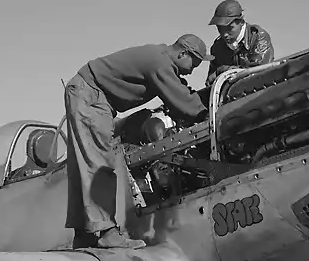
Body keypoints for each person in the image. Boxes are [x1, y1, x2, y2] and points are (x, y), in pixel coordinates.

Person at [65, 34, 213, 249]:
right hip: (91, 96)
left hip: (88, 93)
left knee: (87, 165)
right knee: (100, 165)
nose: (192, 71)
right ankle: (107, 233)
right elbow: (182, 99)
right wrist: (208, 117)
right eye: (194, 64)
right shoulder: (160, 63)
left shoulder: (159, 58)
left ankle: (85, 234)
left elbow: (180, 89)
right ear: (182, 53)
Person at [205, 0, 274, 87]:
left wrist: (224, 70)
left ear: (241, 22)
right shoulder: (217, 48)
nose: (224, 34)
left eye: (229, 28)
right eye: (220, 28)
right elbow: (211, 83)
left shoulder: (257, 37)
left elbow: (258, 72)